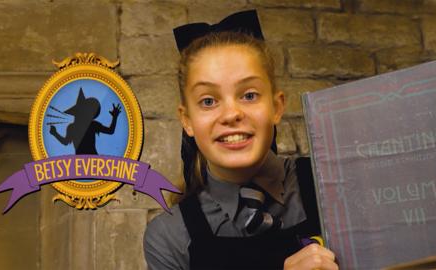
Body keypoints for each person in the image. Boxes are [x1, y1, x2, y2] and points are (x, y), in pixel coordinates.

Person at [144, 10, 338, 270]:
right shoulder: (169, 237)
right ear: (187, 120)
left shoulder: (332, 183)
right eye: (208, 101)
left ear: (277, 107)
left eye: (248, 95)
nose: (231, 114)